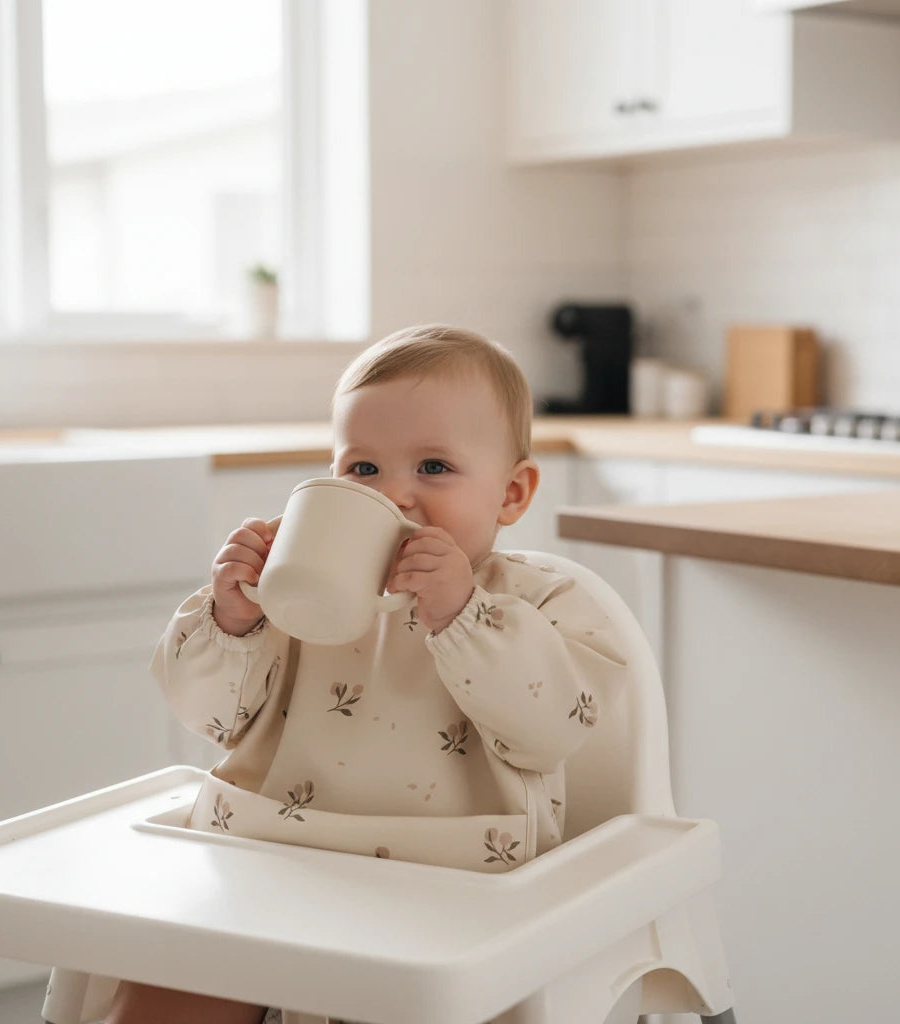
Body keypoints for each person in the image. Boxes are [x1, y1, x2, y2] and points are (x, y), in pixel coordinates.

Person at [43, 324, 630, 1024]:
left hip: (446, 889)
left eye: (434, 468)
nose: (395, 497)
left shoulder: (539, 604)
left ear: (512, 493)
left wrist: (463, 616)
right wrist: (233, 621)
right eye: (363, 470)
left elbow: (552, 730)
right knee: (160, 993)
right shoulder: (302, 592)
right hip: (265, 860)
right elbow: (209, 719)